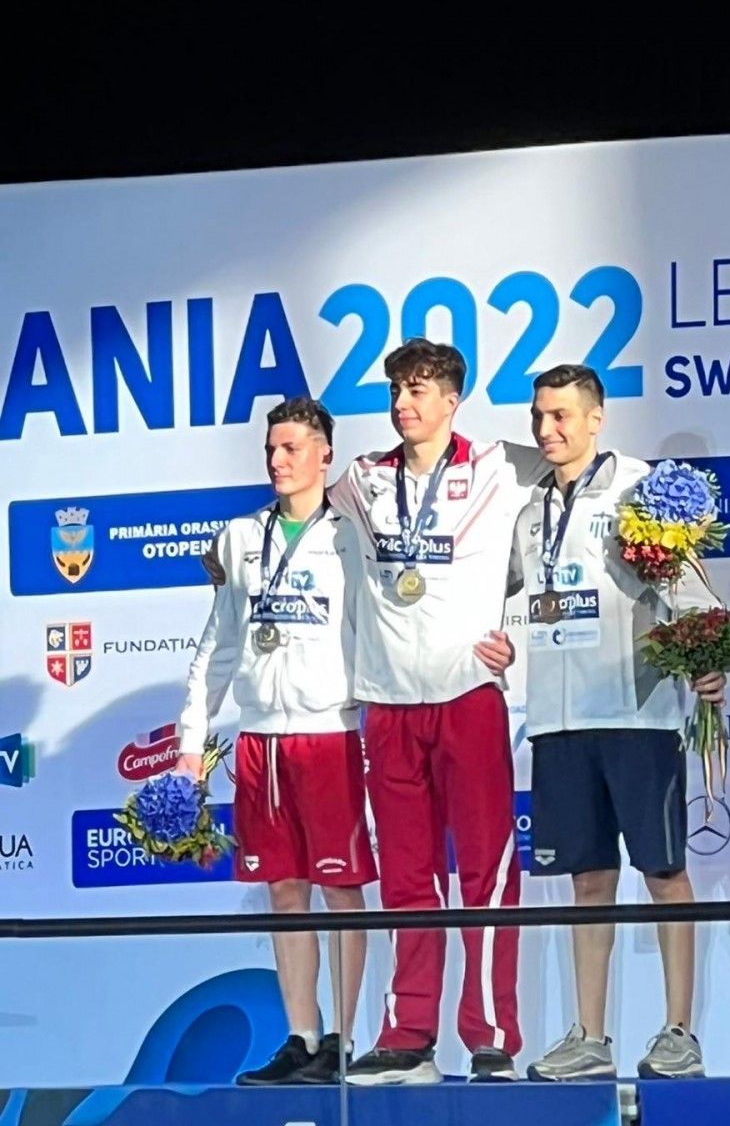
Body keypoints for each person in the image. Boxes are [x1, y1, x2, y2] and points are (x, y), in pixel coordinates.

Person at [325, 338, 548, 1085]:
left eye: (418, 391)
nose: (402, 404)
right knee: (406, 877)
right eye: (395, 391)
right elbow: (301, 512)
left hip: (468, 697)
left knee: (486, 871)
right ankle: (407, 1034)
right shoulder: (363, 479)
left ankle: (490, 1036)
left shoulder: (499, 466)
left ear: (452, 400)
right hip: (388, 706)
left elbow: (577, 466)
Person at [509, 364, 725, 1082]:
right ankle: (589, 1038)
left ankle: (680, 1032)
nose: (547, 429)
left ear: (596, 418)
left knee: (664, 871)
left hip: (638, 713)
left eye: (561, 416)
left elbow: (687, 590)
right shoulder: (527, 510)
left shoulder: (640, 491)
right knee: (588, 880)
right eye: (539, 416)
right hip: (557, 720)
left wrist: (707, 661)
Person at [176, 395, 377, 1086]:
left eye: (291, 448)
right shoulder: (240, 537)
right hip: (261, 742)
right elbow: (218, 646)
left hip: (328, 734)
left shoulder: (351, 536)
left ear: (325, 454)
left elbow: (377, 632)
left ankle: (344, 1040)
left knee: (341, 889)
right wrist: (191, 741)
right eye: (271, 449)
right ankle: (301, 1036)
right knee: (284, 890)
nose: (278, 460)